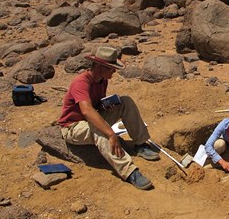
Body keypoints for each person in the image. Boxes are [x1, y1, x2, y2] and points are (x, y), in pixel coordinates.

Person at [58, 46, 159, 190]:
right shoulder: (81, 82)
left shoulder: (102, 80)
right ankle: (129, 171)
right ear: (100, 67)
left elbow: (94, 106)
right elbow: (86, 111)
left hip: (90, 119)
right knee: (100, 130)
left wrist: (104, 106)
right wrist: (111, 134)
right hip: (72, 127)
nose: (114, 71)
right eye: (111, 68)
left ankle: (141, 143)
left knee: (125, 102)